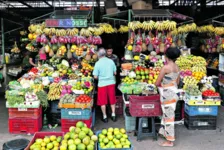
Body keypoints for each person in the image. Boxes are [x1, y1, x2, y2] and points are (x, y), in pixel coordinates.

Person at [155, 47, 181, 147]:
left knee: (169, 117)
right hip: (174, 93)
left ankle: (170, 141)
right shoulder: (177, 67)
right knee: (168, 113)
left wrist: (163, 85)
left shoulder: (165, 68)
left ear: (166, 56)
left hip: (167, 95)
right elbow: (177, 82)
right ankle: (163, 131)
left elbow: (157, 82)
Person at [93, 48, 117, 123]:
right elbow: (115, 73)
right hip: (111, 83)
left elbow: (95, 76)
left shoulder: (97, 63)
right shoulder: (111, 61)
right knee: (112, 99)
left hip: (102, 84)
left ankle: (105, 116)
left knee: (102, 101)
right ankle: (113, 115)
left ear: (98, 55)